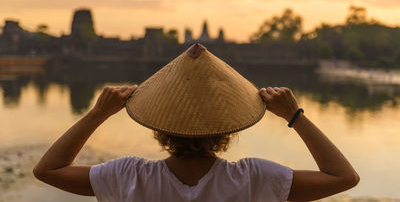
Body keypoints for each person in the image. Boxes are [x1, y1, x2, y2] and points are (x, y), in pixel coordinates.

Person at [33, 44, 360, 202]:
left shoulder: (129, 178)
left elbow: (47, 170)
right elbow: (343, 177)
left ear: (159, 128)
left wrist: (97, 114)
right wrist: (295, 116)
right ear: (229, 130)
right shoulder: (255, 179)